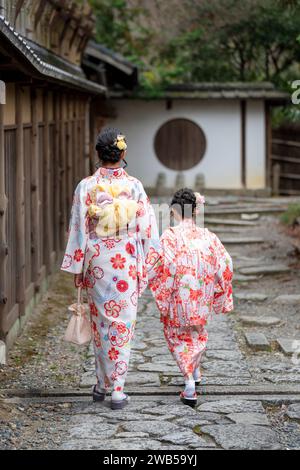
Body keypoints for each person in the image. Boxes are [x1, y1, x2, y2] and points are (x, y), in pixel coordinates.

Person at [61, 127, 160, 410]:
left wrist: (78, 267)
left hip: (96, 262)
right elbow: (147, 228)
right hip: (125, 261)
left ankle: (101, 383)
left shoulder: (86, 187)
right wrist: (148, 261)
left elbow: (78, 229)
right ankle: (118, 389)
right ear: (123, 154)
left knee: (100, 322)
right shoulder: (135, 186)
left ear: (98, 154)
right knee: (122, 324)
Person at [148, 188, 233, 407]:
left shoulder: (170, 236)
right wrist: (217, 290)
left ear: (174, 211)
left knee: (178, 336)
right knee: (197, 331)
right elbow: (226, 264)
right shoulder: (209, 236)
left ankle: (189, 386)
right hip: (201, 296)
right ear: (195, 212)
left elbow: (158, 267)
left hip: (179, 296)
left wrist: (161, 292)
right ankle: (195, 371)